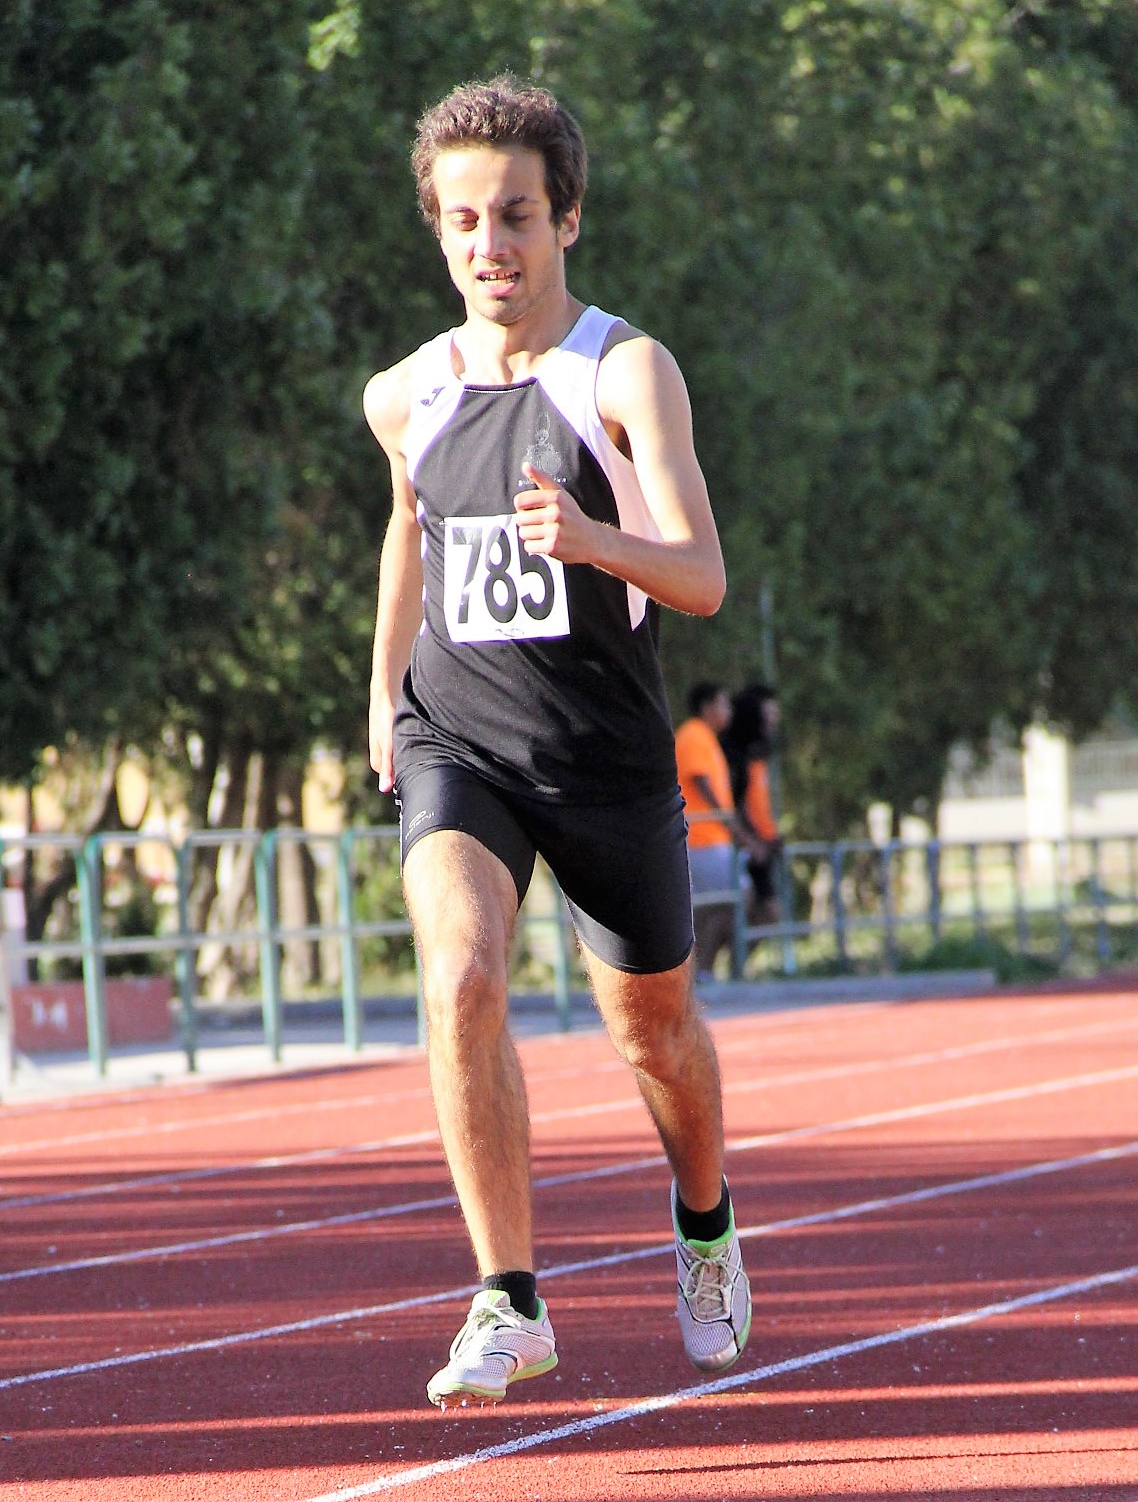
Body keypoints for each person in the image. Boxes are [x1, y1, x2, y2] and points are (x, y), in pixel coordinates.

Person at [364, 75, 750, 1410]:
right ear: (438, 229)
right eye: (464, 220)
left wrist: (594, 539)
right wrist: (381, 693)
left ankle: (704, 1223)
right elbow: (409, 527)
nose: (490, 244)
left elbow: (701, 575)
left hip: (603, 755)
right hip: (456, 737)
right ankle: (508, 1296)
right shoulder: (404, 394)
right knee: (462, 974)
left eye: (516, 215)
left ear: (567, 217)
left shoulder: (622, 371)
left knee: (654, 1030)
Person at [674, 682, 736, 981]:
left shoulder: (707, 738)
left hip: (713, 839)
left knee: (719, 905)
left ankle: (702, 971)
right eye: (724, 704)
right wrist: (731, 824)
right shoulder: (694, 735)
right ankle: (702, 970)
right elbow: (701, 783)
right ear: (707, 706)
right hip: (702, 839)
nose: (728, 711)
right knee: (724, 903)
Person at [722, 683, 784, 926]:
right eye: (768, 713)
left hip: (758, 844)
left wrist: (770, 836)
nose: (773, 720)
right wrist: (749, 839)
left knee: (766, 914)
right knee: (741, 912)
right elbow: (732, 804)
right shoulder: (732, 755)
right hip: (739, 846)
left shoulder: (756, 754)